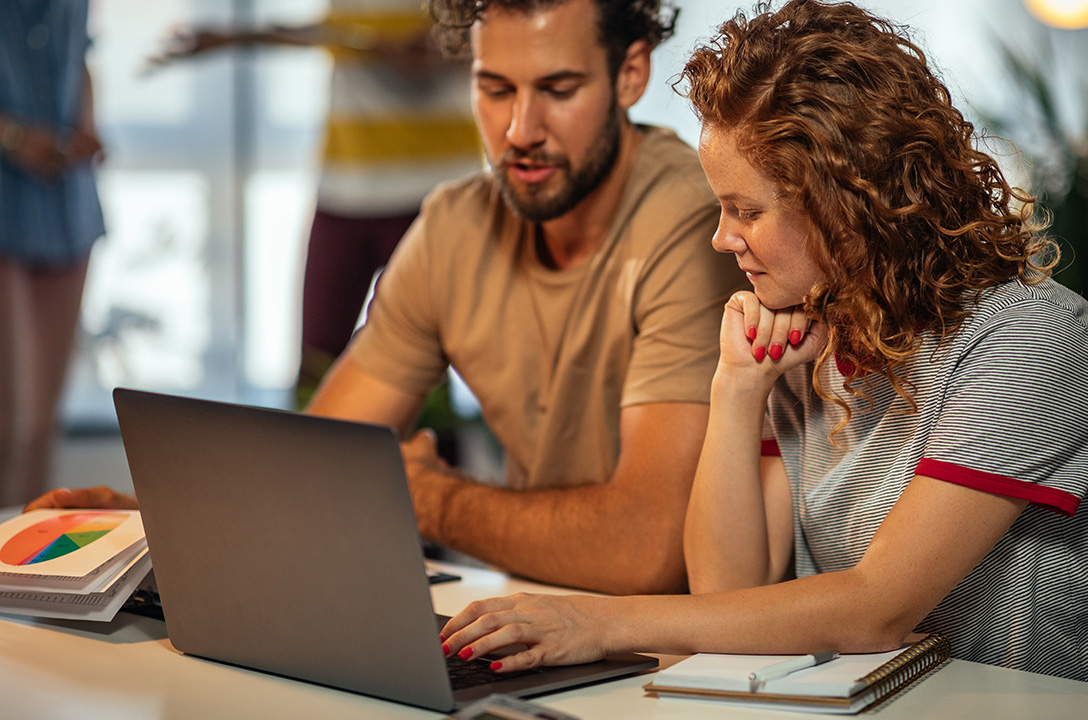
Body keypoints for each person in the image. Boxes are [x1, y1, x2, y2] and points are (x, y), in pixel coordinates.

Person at [435, 0, 1088, 697]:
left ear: (844, 206)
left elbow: (874, 609)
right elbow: (728, 598)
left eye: (745, 211)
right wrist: (737, 390)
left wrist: (600, 622)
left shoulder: (1026, 338)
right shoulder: (810, 330)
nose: (721, 237)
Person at [28, 0, 747, 597]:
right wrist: (156, 521)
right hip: (535, 613)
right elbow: (322, 465)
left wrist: (432, 501)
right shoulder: (455, 225)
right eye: (495, 89)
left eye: (558, 90)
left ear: (630, 74)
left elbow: (646, 551)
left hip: (683, 653)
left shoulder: (689, 223)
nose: (520, 132)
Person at [146, 0, 484, 408]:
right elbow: (328, 33)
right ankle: (312, 470)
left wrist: (450, 45)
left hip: (433, 196)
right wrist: (234, 37)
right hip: (345, 190)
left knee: (425, 384)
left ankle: (430, 471)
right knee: (316, 370)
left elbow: (507, 34)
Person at [1, 0, 106, 507]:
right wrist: (14, 137)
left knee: (42, 427)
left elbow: (80, 56)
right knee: (8, 425)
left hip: (67, 202)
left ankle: (27, 577)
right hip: (6, 198)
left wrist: (87, 123)